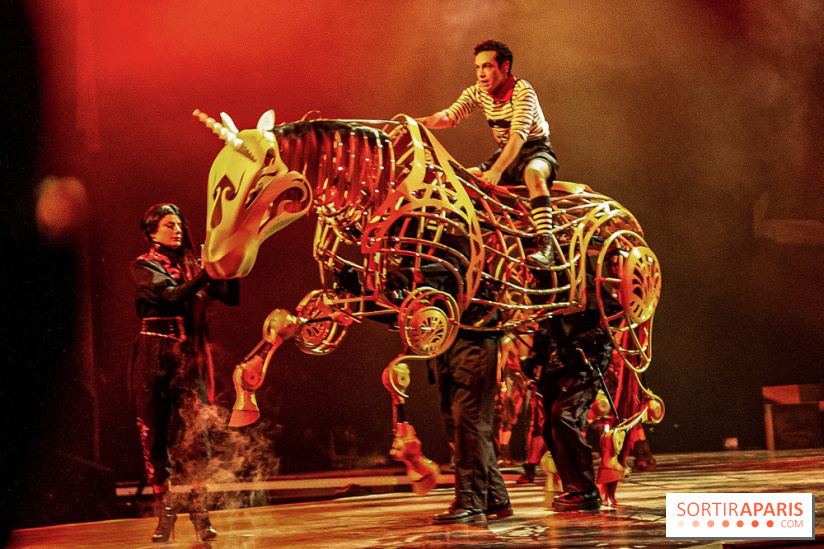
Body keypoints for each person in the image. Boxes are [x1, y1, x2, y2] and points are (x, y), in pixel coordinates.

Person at [129, 203, 239, 542]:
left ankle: (201, 515)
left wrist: (232, 264)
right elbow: (173, 297)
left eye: (179, 224)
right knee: (155, 437)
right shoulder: (143, 265)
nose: (177, 229)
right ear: (151, 232)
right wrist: (206, 271)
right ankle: (164, 518)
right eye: (168, 224)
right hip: (152, 357)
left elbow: (229, 297)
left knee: (198, 437)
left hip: (186, 359)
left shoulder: (193, 265)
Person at [417, 39, 559, 268]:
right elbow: (449, 116)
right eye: (478, 67)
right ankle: (437, 241)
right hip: (505, 153)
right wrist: (417, 123)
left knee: (533, 173)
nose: (481, 73)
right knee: (458, 178)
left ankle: (546, 246)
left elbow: (518, 137)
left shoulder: (523, 91)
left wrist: (496, 171)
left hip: (534, 151)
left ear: (504, 68)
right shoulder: (477, 92)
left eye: (488, 66)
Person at [524, 308, 613, 512]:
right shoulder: (548, 294)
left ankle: (585, 490)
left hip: (583, 363)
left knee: (563, 416)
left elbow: (613, 316)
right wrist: (535, 359)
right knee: (549, 428)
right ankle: (574, 488)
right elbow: (545, 327)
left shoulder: (584, 285)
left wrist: (590, 340)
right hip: (556, 365)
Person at [432, 330, 513, 524]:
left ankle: (471, 502)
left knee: (470, 422)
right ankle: (494, 497)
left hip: (473, 339)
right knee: (456, 423)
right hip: (446, 343)